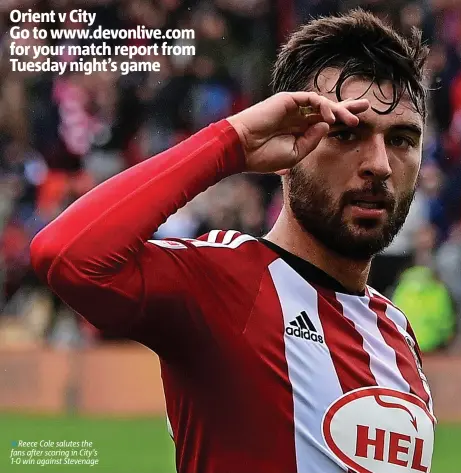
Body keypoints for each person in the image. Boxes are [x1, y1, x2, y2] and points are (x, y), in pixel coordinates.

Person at [30, 9, 435, 473]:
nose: (380, 164)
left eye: (403, 139)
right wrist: (232, 143)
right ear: (288, 145)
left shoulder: (395, 333)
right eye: (345, 133)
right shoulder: (222, 282)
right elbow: (65, 255)